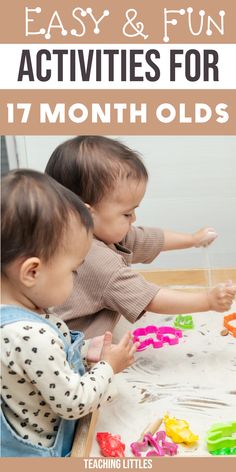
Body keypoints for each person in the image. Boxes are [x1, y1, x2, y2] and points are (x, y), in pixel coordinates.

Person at [1, 169, 138, 457]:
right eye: (73, 270)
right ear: (32, 272)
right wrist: (109, 366)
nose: (75, 279)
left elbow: (34, 369)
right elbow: (74, 403)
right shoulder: (29, 335)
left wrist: (86, 349)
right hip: (43, 453)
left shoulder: (18, 312)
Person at [45, 136, 235, 338]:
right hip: (73, 343)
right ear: (86, 214)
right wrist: (207, 301)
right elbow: (149, 298)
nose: (134, 218)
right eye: (127, 213)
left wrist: (192, 239)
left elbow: (147, 238)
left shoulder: (86, 230)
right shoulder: (95, 259)